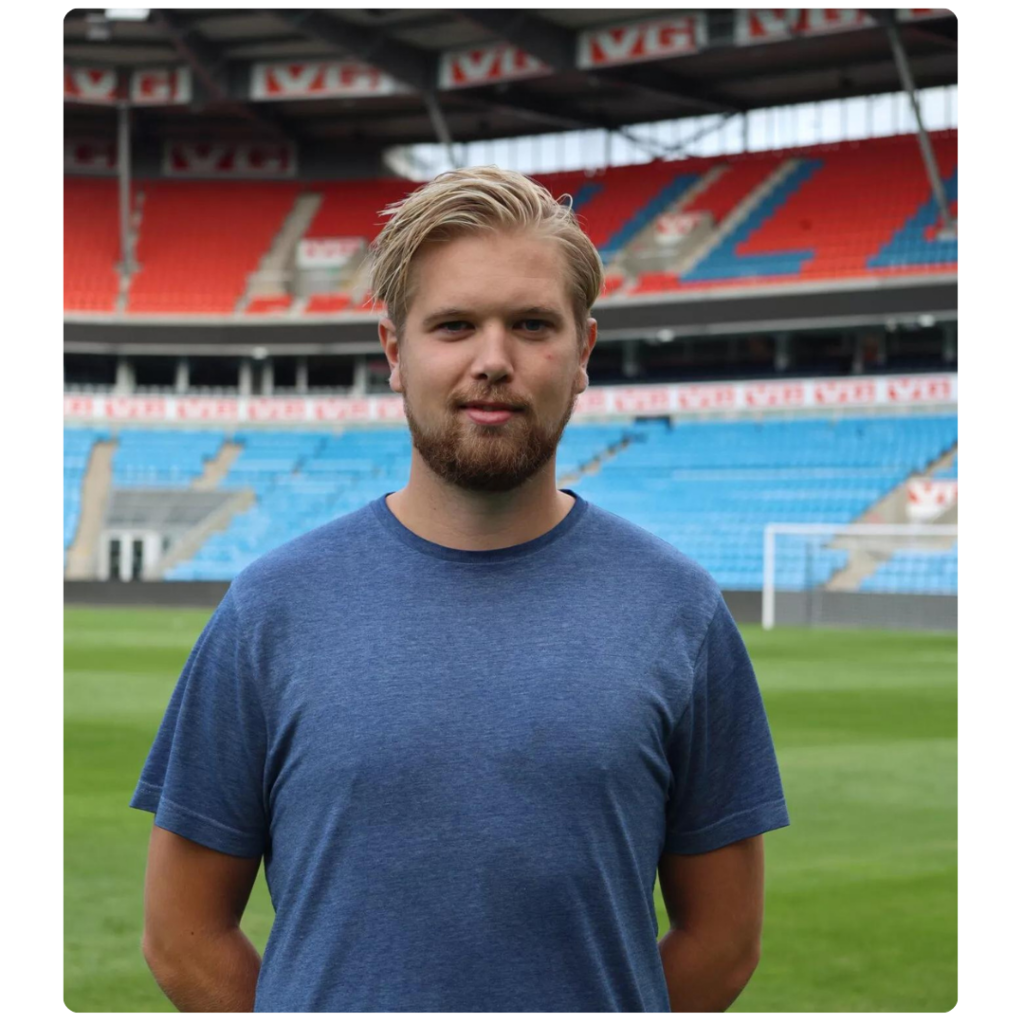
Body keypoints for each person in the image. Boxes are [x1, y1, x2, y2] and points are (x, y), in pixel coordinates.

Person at [131, 166, 790, 1014]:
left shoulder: (682, 614)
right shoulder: (269, 611)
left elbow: (724, 940)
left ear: (583, 352)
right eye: (453, 326)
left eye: (530, 325)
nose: (493, 360)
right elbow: (182, 935)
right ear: (395, 353)